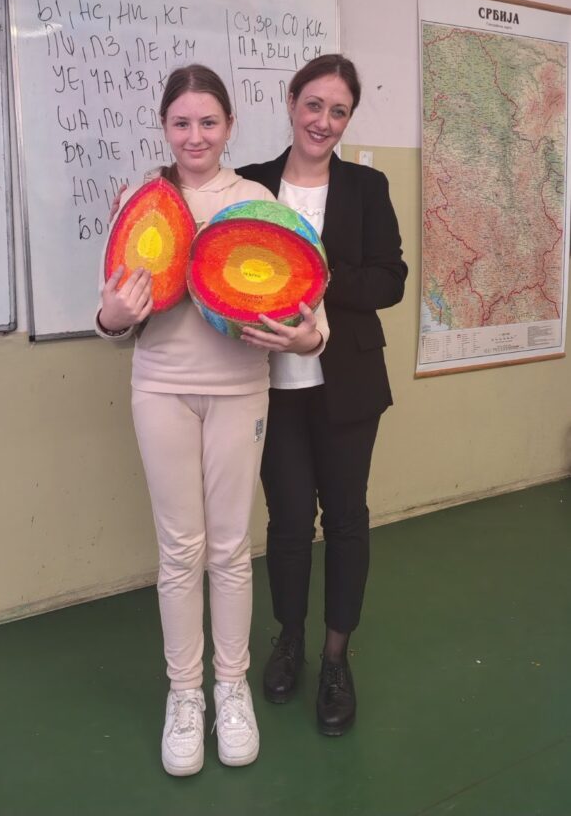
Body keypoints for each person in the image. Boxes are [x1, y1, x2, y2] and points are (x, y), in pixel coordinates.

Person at [96, 64, 328, 776]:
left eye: (208, 122)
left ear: (229, 126)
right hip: (160, 387)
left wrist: (304, 339)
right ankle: (185, 695)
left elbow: (312, 322)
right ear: (164, 127)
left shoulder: (255, 201)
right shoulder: (142, 200)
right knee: (179, 551)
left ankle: (231, 689)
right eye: (181, 123)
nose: (194, 136)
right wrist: (114, 314)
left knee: (228, 548)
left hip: (238, 392)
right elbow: (111, 318)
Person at [237, 53, 407, 736]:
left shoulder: (367, 187)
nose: (324, 121)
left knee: (345, 519)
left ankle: (336, 657)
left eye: (339, 111)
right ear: (291, 102)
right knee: (285, 522)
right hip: (268, 387)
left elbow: (390, 280)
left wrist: (318, 274)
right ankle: (289, 638)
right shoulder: (249, 182)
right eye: (314, 105)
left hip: (348, 385)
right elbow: (212, 252)